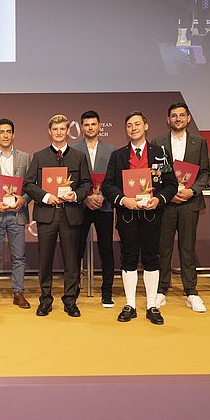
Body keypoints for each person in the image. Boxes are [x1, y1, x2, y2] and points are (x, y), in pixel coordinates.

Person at [102, 112, 178, 325]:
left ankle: (152, 305)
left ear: (146, 126)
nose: (133, 128)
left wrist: (160, 199)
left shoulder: (159, 154)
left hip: (152, 214)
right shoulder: (118, 156)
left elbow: (171, 183)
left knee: (152, 258)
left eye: (137, 124)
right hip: (127, 215)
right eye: (129, 125)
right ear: (126, 130)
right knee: (128, 258)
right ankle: (130, 304)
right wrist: (123, 199)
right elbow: (108, 185)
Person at [23, 114, 92, 318]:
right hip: (47, 215)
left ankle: (70, 300)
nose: (59, 132)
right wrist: (45, 196)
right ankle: (45, 300)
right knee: (45, 260)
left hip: (71, 215)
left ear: (68, 131)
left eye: (63, 129)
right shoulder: (39, 156)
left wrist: (76, 195)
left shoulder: (78, 156)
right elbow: (28, 184)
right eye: (55, 129)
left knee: (71, 260)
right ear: (49, 132)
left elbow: (87, 184)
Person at [151, 102, 210, 312]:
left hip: (189, 203)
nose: (177, 119)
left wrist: (191, 191)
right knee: (163, 247)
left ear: (188, 118)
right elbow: (154, 173)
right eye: (174, 116)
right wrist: (168, 194)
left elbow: (205, 172)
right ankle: (161, 290)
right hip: (166, 204)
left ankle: (191, 292)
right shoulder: (157, 142)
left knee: (187, 247)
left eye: (181, 115)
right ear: (168, 119)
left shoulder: (199, 142)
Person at [0, 119, 31, 309]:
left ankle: (19, 293)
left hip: (17, 214)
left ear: (14, 134)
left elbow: (30, 185)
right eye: (1, 132)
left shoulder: (25, 158)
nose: (5, 135)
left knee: (19, 257)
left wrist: (24, 199)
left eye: (9, 131)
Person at [70, 110, 116, 307]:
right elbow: (69, 182)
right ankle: (73, 291)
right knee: (76, 250)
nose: (90, 128)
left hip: (104, 206)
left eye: (93, 124)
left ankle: (107, 293)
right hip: (80, 206)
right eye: (86, 124)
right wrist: (87, 198)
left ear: (99, 126)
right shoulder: (73, 149)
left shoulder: (112, 150)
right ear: (82, 127)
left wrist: (102, 195)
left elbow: (115, 179)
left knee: (106, 250)